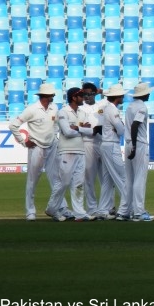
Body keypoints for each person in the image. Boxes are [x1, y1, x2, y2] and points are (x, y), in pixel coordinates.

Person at [9, 83, 61, 221]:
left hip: (52, 146)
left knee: (56, 178)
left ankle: (57, 208)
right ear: (46, 96)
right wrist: (23, 141)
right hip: (36, 147)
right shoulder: (31, 110)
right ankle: (30, 212)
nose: (53, 96)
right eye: (52, 94)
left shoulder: (54, 108)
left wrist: (55, 136)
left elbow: (55, 124)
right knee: (32, 180)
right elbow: (13, 125)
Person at [46, 88, 96, 222]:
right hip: (66, 151)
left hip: (80, 150)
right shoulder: (63, 112)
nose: (83, 98)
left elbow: (91, 131)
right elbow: (67, 132)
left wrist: (78, 128)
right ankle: (52, 209)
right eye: (81, 96)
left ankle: (79, 213)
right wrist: (82, 129)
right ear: (74, 97)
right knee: (64, 182)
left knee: (79, 183)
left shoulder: (82, 112)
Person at [124, 82, 154, 222]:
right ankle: (139, 211)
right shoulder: (142, 107)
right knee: (140, 178)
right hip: (139, 144)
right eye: (147, 92)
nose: (149, 94)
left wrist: (131, 145)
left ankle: (129, 210)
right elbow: (135, 125)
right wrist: (135, 146)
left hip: (128, 143)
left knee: (130, 178)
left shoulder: (130, 106)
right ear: (143, 94)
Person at [99, 84, 131, 221]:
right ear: (117, 97)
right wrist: (121, 127)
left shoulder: (108, 109)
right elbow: (121, 130)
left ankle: (102, 210)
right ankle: (127, 208)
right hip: (111, 145)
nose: (123, 96)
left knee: (107, 180)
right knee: (123, 177)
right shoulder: (112, 110)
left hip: (107, 144)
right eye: (121, 95)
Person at [80, 82, 107, 217]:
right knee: (89, 178)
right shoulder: (80, 108)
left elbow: (117, 96)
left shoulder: (102, 105)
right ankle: (92, 209)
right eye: (84, 94)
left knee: (106, 178)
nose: (87, 97)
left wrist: (101, 91)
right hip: (88, 143)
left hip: (103, 142)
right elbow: (77, 127)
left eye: (90, 94)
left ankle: (106, 208)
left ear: (95, 93)